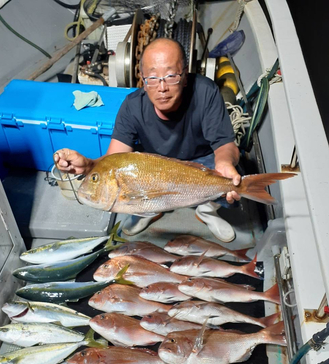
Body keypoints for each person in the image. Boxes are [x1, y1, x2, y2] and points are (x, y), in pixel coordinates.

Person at [55, 38, 240, 242]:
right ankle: (149, 211)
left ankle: (206, 210)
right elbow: (114, 158)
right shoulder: (132, 106)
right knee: (127, 184)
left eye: (170, 76)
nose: (161, 87)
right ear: (142, 79)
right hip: (152, 166)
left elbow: (226, 145)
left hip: (200, 161)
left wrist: (224, 163)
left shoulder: (206, 91)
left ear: (185, 75)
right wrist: (89, 164)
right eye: (152, 78)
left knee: (231, 176)